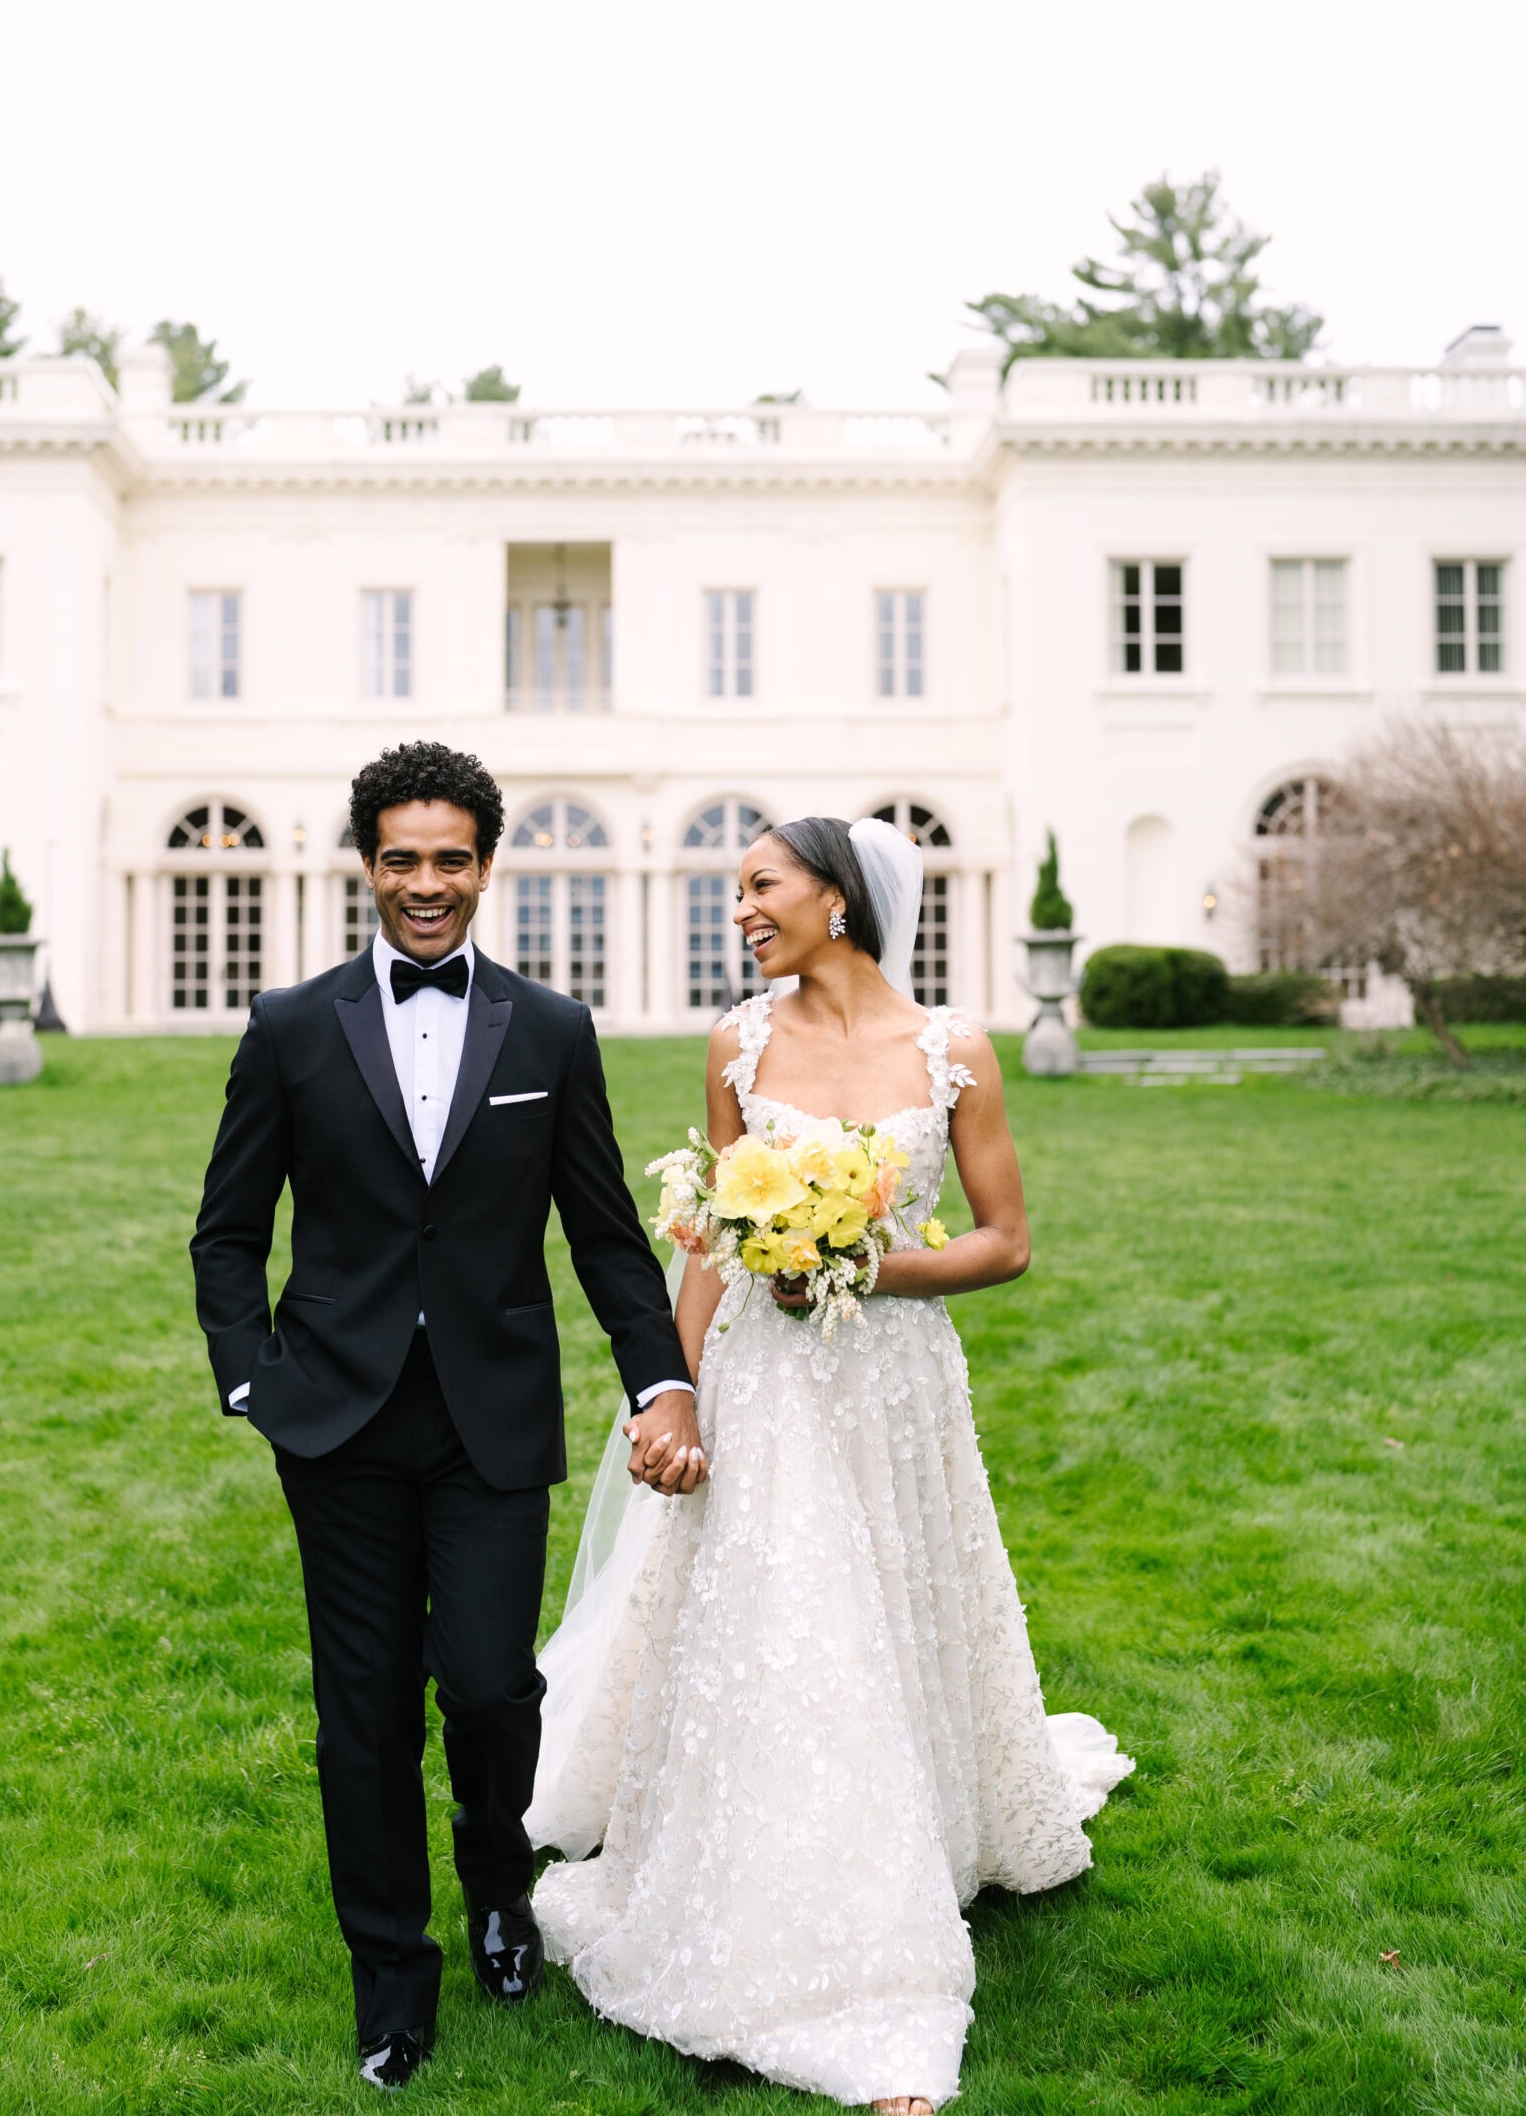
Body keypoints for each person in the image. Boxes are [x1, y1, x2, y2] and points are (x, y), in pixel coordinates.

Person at [529, 814, 1132, 2115]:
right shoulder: (737, 1045)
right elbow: (703, 1237)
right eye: (732, 891)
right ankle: (801, 1920)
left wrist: (862, 1264)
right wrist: (673, 1396)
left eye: (759, 885)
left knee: (886, 1608)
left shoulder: (954, 1051)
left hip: (897, 1381)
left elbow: (1006, 1241)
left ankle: (908, 1846)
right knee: (792, 1619)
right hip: (764, 1381)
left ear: (838, 900)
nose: (738, 909)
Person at [190, 741, 703, 2093]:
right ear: (366, 863)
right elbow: (228, 1232)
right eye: (403, 858)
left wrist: (662, 1377)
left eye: (452, 859)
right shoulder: (292, 1028)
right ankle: (391, 1983)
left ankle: (498, 1888)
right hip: (338, 1425)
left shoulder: (548, 1031)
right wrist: (254, 1377)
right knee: (362, 1710)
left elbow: (602, 1233)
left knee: (488, 1685)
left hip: (493, 1417)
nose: (428, 884)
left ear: (487, 865)